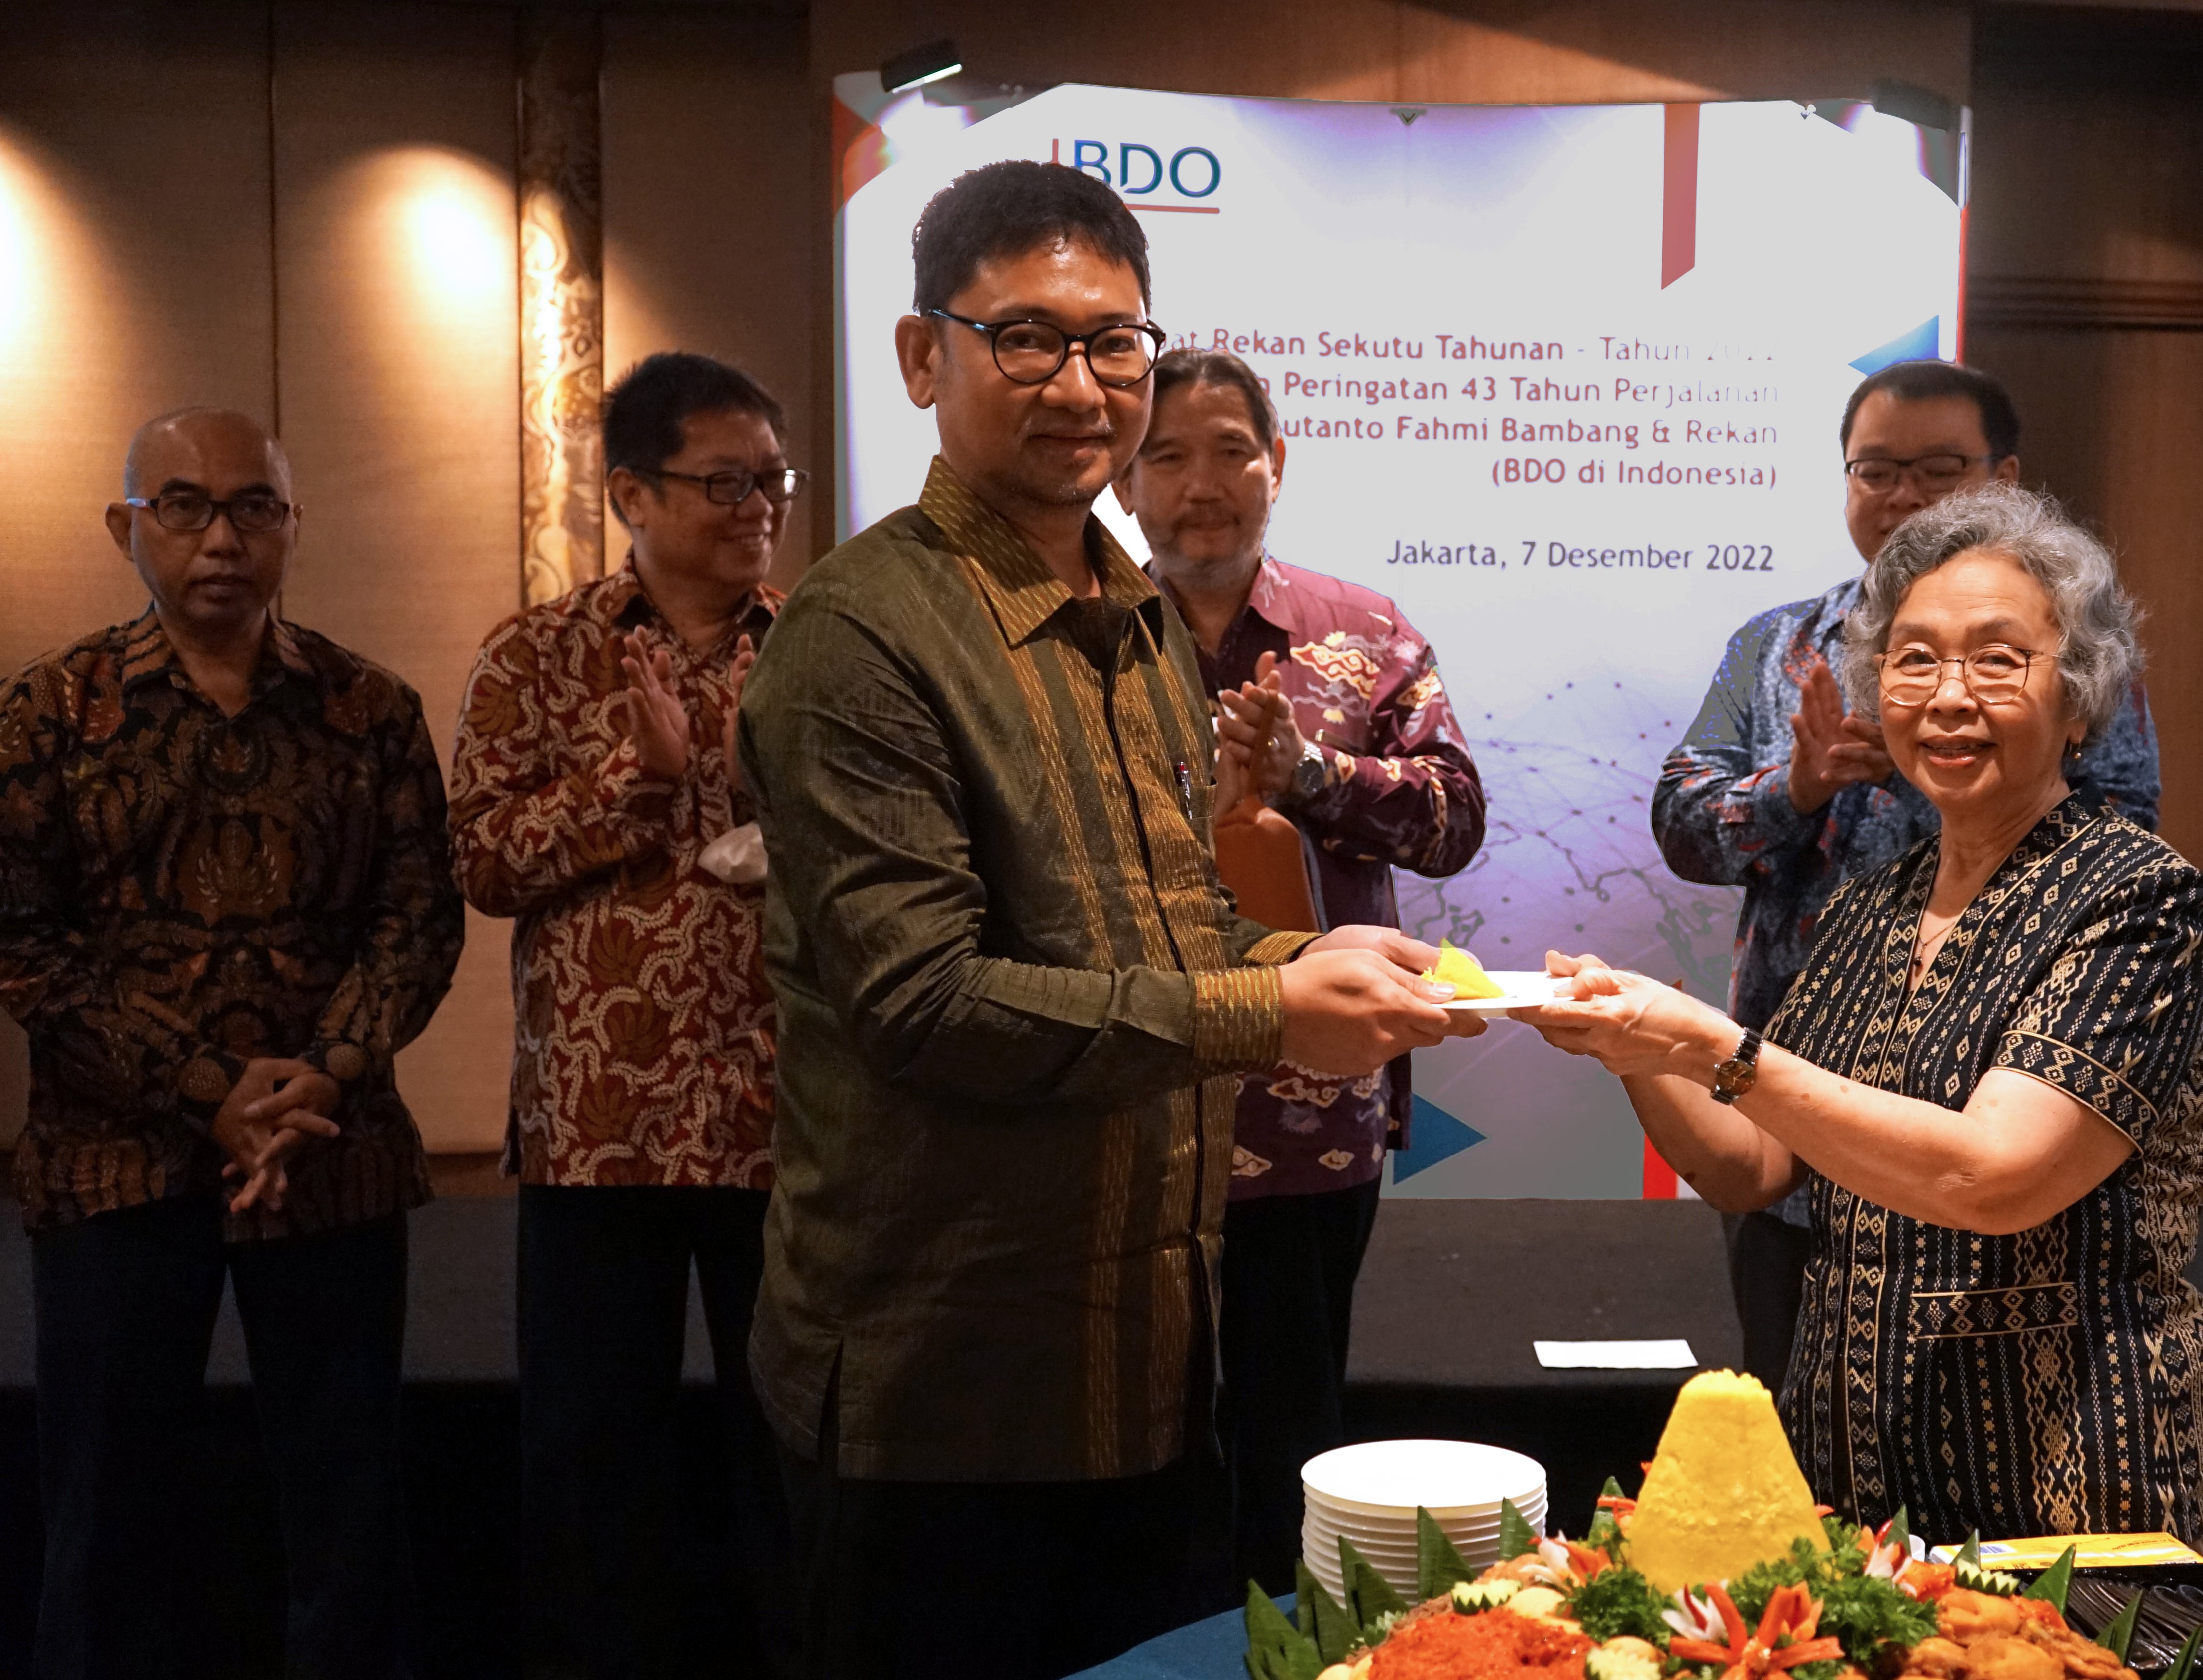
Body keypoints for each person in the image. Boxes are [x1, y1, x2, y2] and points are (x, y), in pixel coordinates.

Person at [737, 160, 1479, 1680]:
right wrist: (1270, 1008)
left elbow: (1165, 917)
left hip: (1147, 1362)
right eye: (1026, 337)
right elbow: (925, 1004)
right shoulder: (859, 633)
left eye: (1115, 342)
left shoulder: (1130, 613)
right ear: (922, 356)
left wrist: (1306, 953)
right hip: (944, 1385)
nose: (1081, 386)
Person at [1531, 482, 2203, 1549]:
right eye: (1915, 659)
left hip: (2067, 1474)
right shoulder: (1870, 907)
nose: (1949, 696)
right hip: (1857, 1481)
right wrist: (1634, 1043)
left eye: (1999, 661)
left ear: (2080, 701)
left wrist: (1713, 1043)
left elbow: (1994, 1176)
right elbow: (1754, 1166)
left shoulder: (2136, 897)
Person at [0, 407, 464, 1677]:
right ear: (127, 527)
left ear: (293, 526)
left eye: (254, 506)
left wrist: (325, 1077)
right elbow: (24, 941)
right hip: (115, 1165)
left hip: (329, 1154)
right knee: (105, 1513)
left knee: (350, 1514)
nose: (221, 537)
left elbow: (418, 921)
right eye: (185, 505)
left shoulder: (372, 708)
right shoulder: (48, 710)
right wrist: (210, 1091)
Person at [1651, 358, 2162, 1390]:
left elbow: (2121, 819)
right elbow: (1682, 826)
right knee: (1795, 1419)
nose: (1903, 496)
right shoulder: (1777, 646)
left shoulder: (2131, 887)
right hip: (1794, 1127)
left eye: (1938, 469)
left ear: (2003, 478)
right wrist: (1794, 789)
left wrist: (1943, 782)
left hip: (2010, 1149)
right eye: (1876, 470)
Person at [1113, 345, 1489, 1595]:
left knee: (1292, 1423)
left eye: (1230, 451)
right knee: (1136, 1440)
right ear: (1122, 480)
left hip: (1308, 1110)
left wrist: (1310, 778)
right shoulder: (1080, 636)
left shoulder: (1363, 631)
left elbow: (1454, 822)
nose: (1200, 485)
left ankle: (1289, 1645)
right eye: (1167, 456)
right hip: (1132, 1092)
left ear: (1277, 463)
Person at [449, 352, 800, 1677]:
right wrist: (632, 785)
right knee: (592, 1467)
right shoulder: (538, 653)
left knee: (793, 1454)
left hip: (782, 1122)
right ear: (633, 495)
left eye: (773, 480)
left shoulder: (820, 650)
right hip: (601, 1130)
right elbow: (484, 861)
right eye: (727, 483)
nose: (758, 507)